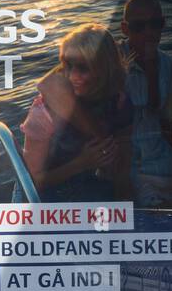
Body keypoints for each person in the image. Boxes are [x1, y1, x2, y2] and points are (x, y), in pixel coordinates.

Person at [23, 23, 132, 203]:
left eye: (83, 68)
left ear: (104, 68)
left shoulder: (119, 102)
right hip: (51, 203)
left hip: (98, 196)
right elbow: (31, 181)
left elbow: (123, 168)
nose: (73, 76)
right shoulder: (43, 112)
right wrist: (81, 163)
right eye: (68, 65)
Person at [119, 0, 172, 209]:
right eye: (139, 26)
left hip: (159, 154)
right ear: (125, 29)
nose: (149, 32)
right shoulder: (111, 61)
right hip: (125, 158)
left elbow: (167, 123)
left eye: (156, 24)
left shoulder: (169, 67)